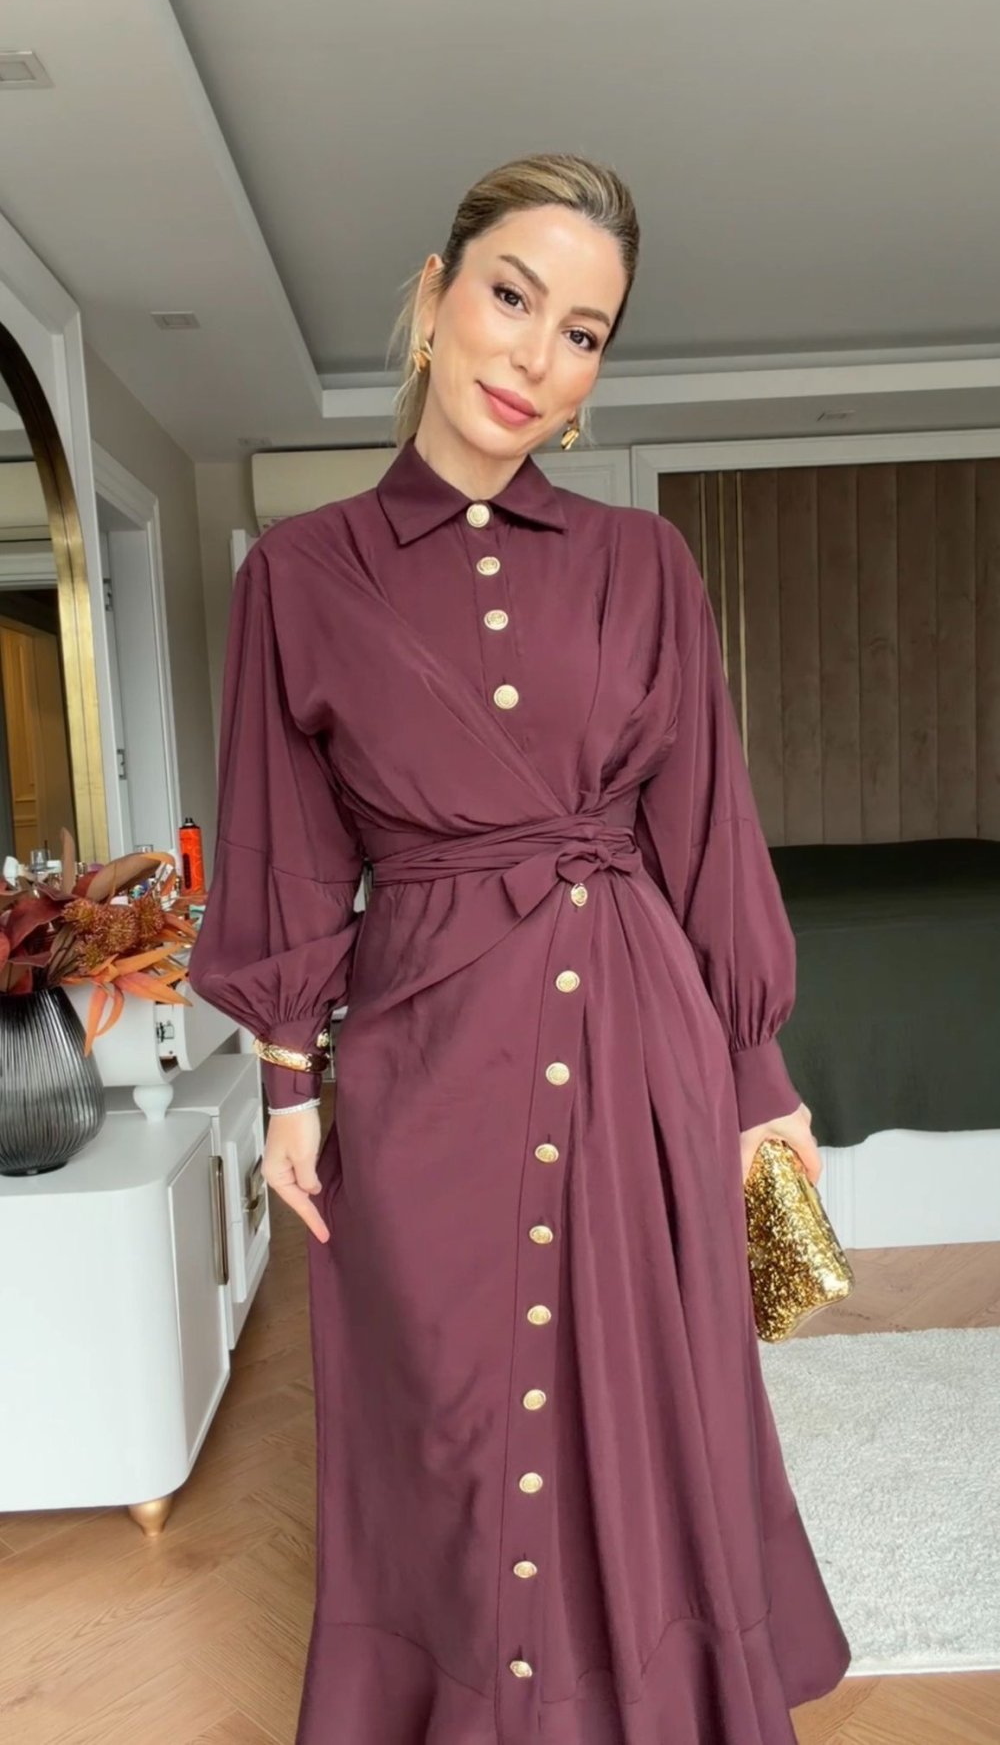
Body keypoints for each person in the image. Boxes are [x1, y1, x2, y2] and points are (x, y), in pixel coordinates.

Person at [187, 151, 851, 1745]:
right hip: (422, 1054)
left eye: (584, 332)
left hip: (638, 1040)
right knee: (444, 1412)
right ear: (434, 296)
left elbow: (705, 831)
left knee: (654, 1407)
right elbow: (289, 846)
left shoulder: (645, 566)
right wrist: (289, 1085)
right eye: (511, 296)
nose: (536, 355)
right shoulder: (299, 577)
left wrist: (757, 1079)